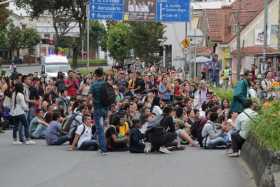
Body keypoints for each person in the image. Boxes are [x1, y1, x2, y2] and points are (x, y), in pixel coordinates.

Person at [90, 68, 108, 154]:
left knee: (100, 128)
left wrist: (90, 103)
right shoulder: (106, 84)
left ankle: (103, 148)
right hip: (105, 109)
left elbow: (90, 97)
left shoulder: (94, 85)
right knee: (102, 127)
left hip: (97, 109)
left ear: (96, 75)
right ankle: (101, 144)